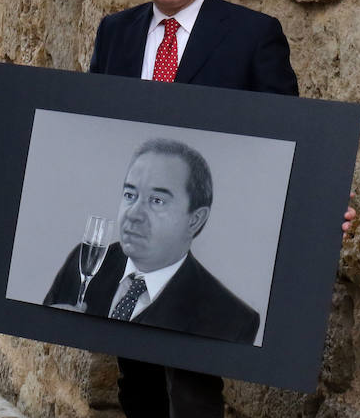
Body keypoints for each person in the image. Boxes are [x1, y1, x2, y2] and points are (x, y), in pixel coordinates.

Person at [72, 0, 349, 418]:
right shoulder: (115, 34)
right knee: (134, 363)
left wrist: (317, 205)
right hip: (135, 233)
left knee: (191, 372)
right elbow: (91, 130)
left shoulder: (252, 36)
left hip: (209, 234)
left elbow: (287, 137)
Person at [42, 138, 260, 344]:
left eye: (157, 200)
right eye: (129, 195)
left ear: (194, 219)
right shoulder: (84, 262)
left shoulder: (231, 322)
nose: (133, 214)